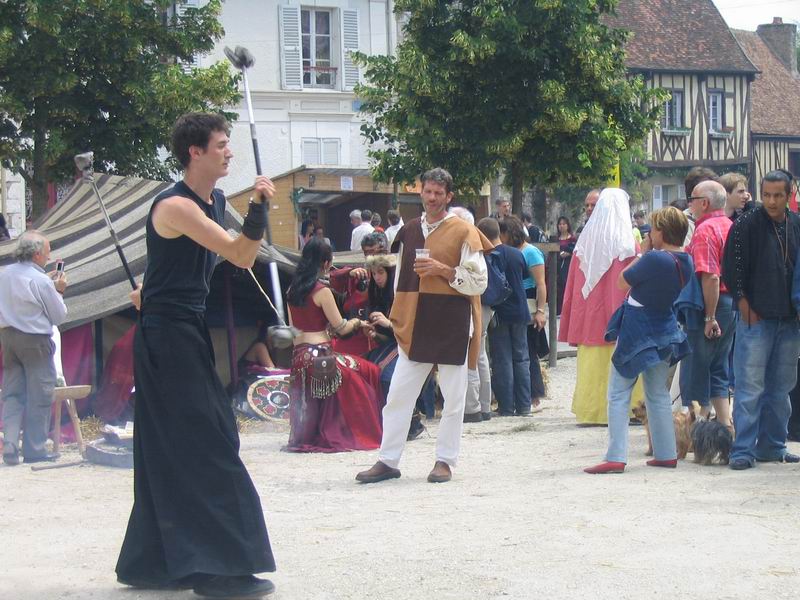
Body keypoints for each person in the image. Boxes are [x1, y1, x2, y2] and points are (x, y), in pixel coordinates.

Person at [115, 113, 276, 598]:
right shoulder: (175, 205)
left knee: (175, 444)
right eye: (221, 144)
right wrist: (259, 209)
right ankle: (217, 568)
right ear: (195, 152)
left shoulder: (214, 200)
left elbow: (185, 263)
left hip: (184, 328)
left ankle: (152, 563)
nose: (230, 151)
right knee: (210, 441)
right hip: (167, 337)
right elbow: (240, 255)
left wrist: (152, 287)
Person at [356, 167, 492, 484]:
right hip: (416, 323)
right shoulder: (408, 231)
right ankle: (388, 460)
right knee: (398, 396)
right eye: (427, 191)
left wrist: (443, 270)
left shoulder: (464, 231)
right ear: (421, 192)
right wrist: (398, 314)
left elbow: (479, 282)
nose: (432, 198)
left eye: (438, 193)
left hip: (452, 321)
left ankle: (444, 460)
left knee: (454, 399)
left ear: (448, 196)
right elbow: (400, 281)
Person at [585, 207, 693, 473]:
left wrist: (643, 252)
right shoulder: (685, 261)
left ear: (661, 232)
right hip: (664, 327)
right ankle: (666, 452)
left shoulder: (654, 258)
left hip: (637, 329)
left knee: (618, 392)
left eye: (653, 229)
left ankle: (616, 456)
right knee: (657, 393)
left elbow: (622, 281)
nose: (649, 234)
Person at [722, 169, 800, 470]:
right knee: (749, 387)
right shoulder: (746, 224)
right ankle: (742, 449)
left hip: (789, 319)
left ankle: (772, 446)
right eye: (766, 194)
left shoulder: (796, 224)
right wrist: (743, 304)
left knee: (781, 388)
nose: (771, 201)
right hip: (755, 317)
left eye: (778, 195)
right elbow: (731, 268)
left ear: (789, 195)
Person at [285, 238, 383, 453]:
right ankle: (364, 431)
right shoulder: (322, 291)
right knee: (369, 370)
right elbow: (342, 328)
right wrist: (358, 322)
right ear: (326, 263)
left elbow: (294, 329)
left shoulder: (292, 290)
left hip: (299, 358)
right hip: (322, 357)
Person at [559, 188, 644, 425]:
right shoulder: (629, 245)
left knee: (592, 364)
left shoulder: (583, 244)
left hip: (590, 318)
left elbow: (573, 287)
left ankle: (592, 411)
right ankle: (631, 409)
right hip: (621, 317)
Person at [0, 230, 68, 466]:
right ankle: (35, 449)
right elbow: (58, 316)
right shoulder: (41, 281)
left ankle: (10, 442)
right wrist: (58, 291)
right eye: (47, 252)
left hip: (8, 338)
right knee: (40, 394)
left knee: (12, 393)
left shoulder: (4, 274)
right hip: (35, 340)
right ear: (37, 254)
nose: (49, 257)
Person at [680, 181, 735, 429]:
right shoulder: (730, 226)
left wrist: (709, 317)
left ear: (704, 203)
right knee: (719, 367)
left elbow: (711, 276)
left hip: (711, 304)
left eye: (692, 199)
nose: (689, 203)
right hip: (730, 303)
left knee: (697, 368)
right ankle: (725, 427)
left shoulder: (705, 230)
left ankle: (697, 430)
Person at [363, 253, 429, 439]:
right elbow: (388, 338)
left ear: (390, 272)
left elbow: (413, 329)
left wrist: (388, 324)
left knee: (387, 377)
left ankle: (411, 422)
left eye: (380, 272)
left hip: (412, 345)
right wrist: (375, 334)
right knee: (368, 370)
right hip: (393, 345)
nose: (377, 277)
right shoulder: (377, 294)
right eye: (374, 273)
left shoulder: (402, 294)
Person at [482, 218, 531, 416]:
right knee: (522, 358)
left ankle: (506, 406)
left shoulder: (487, 256)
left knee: (502, 360)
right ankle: (524, 405)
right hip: (520, 310)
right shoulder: (516, 254)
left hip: (500, 312)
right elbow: (525, 275)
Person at [500, 216, 547, 412]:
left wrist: (540, 311)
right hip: (514, 301)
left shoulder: (531, 252)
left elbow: (541, 284)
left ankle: (534, 396)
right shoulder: (511, 251)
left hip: (528, 301)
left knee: (529, 352)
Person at [556, 216, 576, 315]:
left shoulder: (573, 239)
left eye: (564, 224)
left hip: (568, 266)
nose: (562, 226)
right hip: (558, 266)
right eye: (560, 224)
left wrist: (569, 254)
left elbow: (576, 251)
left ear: (567, 225)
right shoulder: (556, 239)